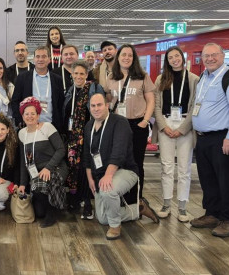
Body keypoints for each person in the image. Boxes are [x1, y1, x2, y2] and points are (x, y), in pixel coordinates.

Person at [187, 43, 229, 237]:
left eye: (214, 55)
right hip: (203, 138)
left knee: (226, 180)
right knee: (208, 179)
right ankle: (212, 214)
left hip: (223, 138)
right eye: (206, 56)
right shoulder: (204, 76)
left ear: (223, 56)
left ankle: (228, 220)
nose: (210, 59)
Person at [84, 93, 150, 239]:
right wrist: (90, 179)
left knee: (108, 190)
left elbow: (118, 152)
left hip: (125, 170)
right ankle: (139, 209)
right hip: (101, 173)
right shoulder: (89, 126)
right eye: (93, 106)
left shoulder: (119, 122)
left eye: (99, 105)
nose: (96, 109)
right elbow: (87, 157)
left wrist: (108, 175)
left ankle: (115, 227)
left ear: (107, 105)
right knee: (102, 218)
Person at [105, 44, 158, 221]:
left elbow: (151, 100)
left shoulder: (142, 77)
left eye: (130, 55)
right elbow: (108, 100)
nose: (126, 58)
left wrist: (145, 121)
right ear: (118, 57)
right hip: (117, 125)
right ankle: (119, 199)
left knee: (136, 164)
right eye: (123, 55)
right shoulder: (111, 77)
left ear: (133, 58)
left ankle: (136, 200)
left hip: (137, 125)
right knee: (117, 162)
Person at [153, 46, 199, 222]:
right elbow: (157, 105)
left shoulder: (193, 79)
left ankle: (182, 207)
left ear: (183, 57)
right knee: (166, 166)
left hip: (184, 124)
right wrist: (163, 127)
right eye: (171, 57)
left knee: (184, 168)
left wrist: (182, 129)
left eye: (177, 56)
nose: (174, 59)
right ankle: (166, 204)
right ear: (167, 60)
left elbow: (195, 105)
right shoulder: (161, 79)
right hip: (166, 124)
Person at [18, 97, 68, 227]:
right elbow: (24, 161)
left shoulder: (47, 127)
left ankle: (53, 211)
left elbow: (61, 149)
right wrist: (22, 184)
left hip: (55, 167)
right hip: (37, 172)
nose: (30, 116)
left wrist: (48, 168)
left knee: (44, 185)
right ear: (22, 116)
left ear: (38, 115)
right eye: (26, 114)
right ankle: (52, 203)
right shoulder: (22, 134)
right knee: (39, 213)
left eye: (33, 113)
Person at [63, 61, 104, 219]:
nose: (79, 76)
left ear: (86, 75)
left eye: (82, 73)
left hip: (88, 136)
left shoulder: (93, 89)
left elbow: (99, 111)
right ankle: (76, 198)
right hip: (72, 137)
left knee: (88, 167)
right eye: (76, 73)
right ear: (71, 75)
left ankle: (88, 203)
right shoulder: (70, 91)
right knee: (74, 168)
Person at [10, 46, 65, 130]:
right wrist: (20, 120)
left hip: (51, 126)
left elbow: (61, 104)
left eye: (44, 56)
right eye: (38, 56)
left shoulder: (57, 79)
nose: (40, 59)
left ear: (49, 59)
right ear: (34, 59)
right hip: (29, 125)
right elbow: (15, 101)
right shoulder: (22, 78)